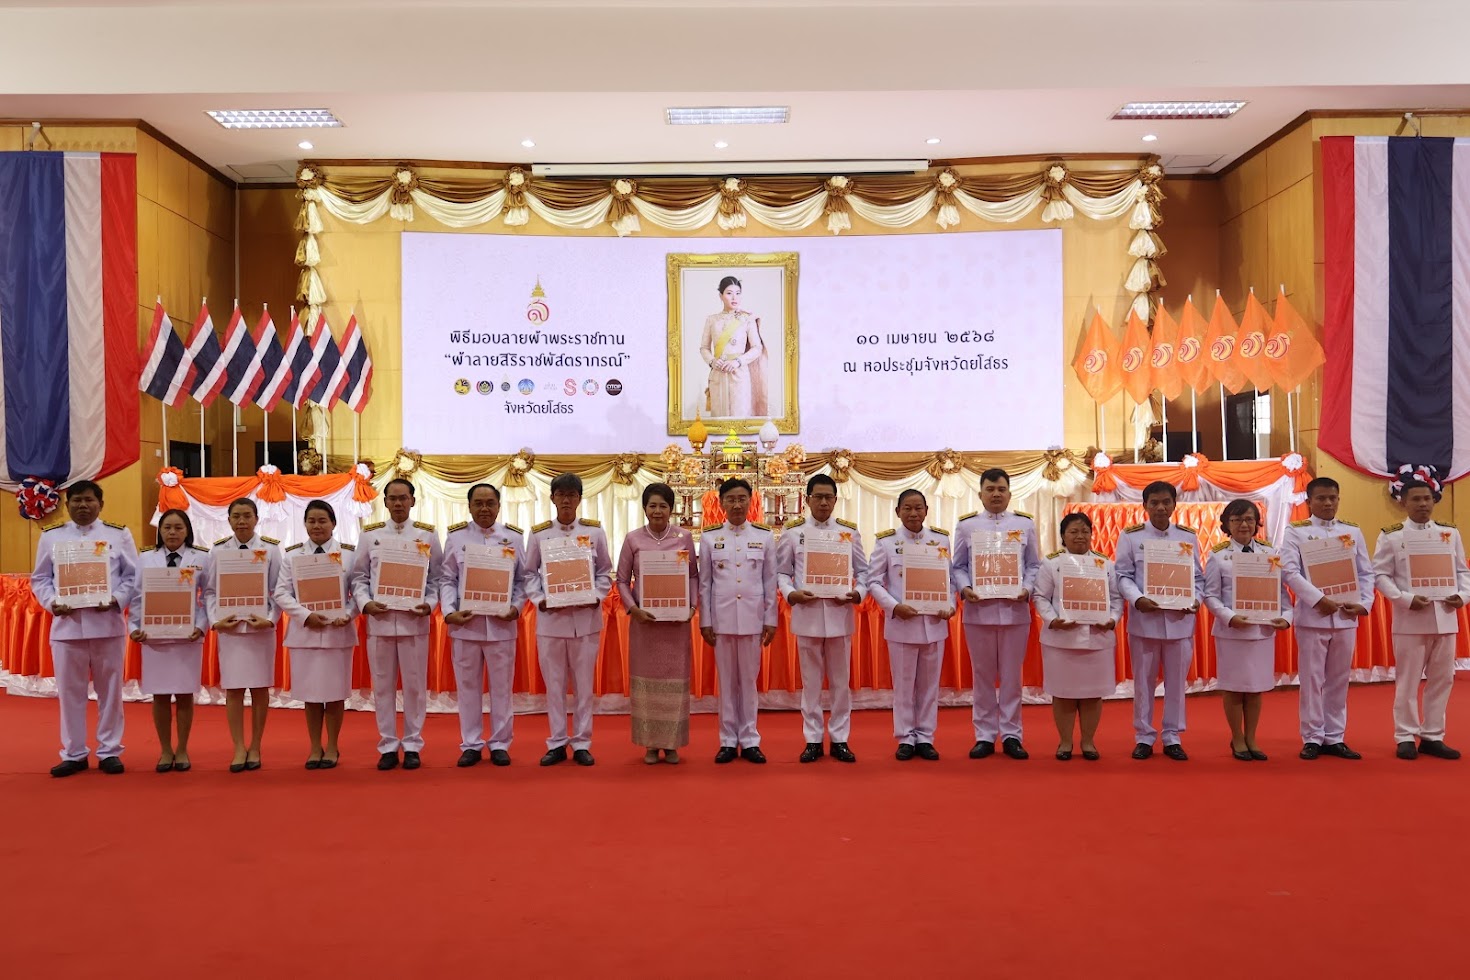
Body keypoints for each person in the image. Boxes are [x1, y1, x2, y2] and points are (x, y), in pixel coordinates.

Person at [31, 480, 140, 777]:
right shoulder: (51, 537)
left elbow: (133, 577)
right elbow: (40, 579)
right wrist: (53, 603)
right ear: (67, 506)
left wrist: (116, 599)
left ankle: (109, 751)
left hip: (107, 625)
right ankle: (74, 753)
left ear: (100, 504)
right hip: (67, 627)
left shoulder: (119, 535)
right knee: (70, 693)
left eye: (89, 500)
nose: (83, 505)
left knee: (111, 693)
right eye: (76, 500)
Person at [1372, 469, 1470, 760]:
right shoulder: (1391, 537)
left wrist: (1462, 596)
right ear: (1403, 502)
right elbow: (1381, 575)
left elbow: (1463, 572)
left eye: (1427, 498)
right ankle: (1404, 735)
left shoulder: (1449, 534)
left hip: (1445, 614)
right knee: (1408, 680)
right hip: (1411, 619)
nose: (1423, 504)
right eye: (1416, 499)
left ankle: (1432, 735)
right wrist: (1404, 599)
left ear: (1433, 500)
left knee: (1443, 680)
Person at [350, 478, 442, 771]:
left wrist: (430, 603)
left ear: (413, 501)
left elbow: (437, 578)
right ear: (385, 502)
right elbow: (359, 577)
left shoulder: (427, 535)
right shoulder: (370, 536)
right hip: (381, 620)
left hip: (414, 622)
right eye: (393, 498)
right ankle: (388, 744)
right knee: (383, 687)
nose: (398, 503)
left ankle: (413, 743)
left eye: (404, 498)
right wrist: (366, 604)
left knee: (415, 687)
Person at [950, 468, 1041, 760]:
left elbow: (1034, 565)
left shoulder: (1025, 524)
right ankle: (985, 735)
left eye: (1001, 489)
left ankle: (1012, 734)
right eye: (990, 489)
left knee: (1013, 677)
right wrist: (964, 589)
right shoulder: (967, 526)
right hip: (979, 611)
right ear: (980, 494)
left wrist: (1027, 589)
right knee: (983, 676)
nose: (996, 494)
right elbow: (958, 566)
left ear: (1010, 493)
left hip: (1015, 612)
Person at [777, 473, 867, 763]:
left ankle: (840, 738)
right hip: (808, 613)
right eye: (818, 496)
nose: (824, 502)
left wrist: (858, 593)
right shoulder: (793, 533)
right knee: (811, 682)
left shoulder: (849, 534)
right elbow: (781, 572)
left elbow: (863, 572)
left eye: (829, 497)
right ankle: (812, 739)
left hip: (840, 614)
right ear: (807, 499)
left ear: (836, 500)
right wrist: (791, 594)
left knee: (841, 683)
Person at [1282, 477, 1374, 761]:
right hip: (1313, 616)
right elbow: (1289, 571)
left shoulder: (1352, 531)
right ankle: (1312, 736)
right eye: (1321, 498)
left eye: (1333, 497)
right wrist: (1317, 599)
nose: (1328, 503)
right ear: (1309, 501)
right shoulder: (1295, 532)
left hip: (1346, 616)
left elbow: (1366, 572)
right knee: (1311, 679)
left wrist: (1364, 603)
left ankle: (1335, 736)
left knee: (1339, 679)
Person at [525, 472, 613, 767]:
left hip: (585, 620)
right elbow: (528, 574)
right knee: (555, 685)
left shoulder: (595, 533)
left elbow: (604, 573)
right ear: (552, 498)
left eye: (571, 494)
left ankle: (582, 742)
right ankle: (557, 741)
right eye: (560, 494)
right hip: (551, 621)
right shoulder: (539, 534)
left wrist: (597, 596)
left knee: (584, 686)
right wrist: (540, 599)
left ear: (579, 498)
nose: (566, 500)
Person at [1114, 480, 1204, 761]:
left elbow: (1198, 578)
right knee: (1144, 682)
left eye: (1166, 502)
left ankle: (1172, 736)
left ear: (1175, 505)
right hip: (1145, 621)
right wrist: (1137, 599)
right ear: (1145, 506)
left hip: (1179, 622)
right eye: (1154, 502)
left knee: (1177, 683)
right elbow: (1122, 576)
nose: (1161, 507)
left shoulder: (1187, 537)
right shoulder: (1131, 537)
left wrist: (1195, 601)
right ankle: (1143, 736)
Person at [440, 483, 525, 768]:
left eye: (490, 503)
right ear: (469, 506)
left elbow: (523, 580)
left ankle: (500, 743)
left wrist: (516, 607)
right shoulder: (455, 537)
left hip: (501, 625)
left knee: (502, 687)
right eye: (479, 503)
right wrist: (449, 611)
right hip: (466, 624)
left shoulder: (512, 538)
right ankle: (472, 744)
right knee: (467, 687)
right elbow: (447, 579)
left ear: (499, 506)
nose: (484, 508)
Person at [867, 489, 954, 761]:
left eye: (918, 508)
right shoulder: (886, 543)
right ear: (898, 512)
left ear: (926, 510)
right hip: (902, 624)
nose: (913, 513)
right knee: (904, 686)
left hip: (934, 624)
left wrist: (950, 605)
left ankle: (926, 737)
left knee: (929, 687)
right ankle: (905, 737)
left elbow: (949, 581)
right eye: (907, 508)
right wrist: (894, 606)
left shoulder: (940, 541)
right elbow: (873, 582)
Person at [1203, 499, 1292, 762]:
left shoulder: (1270, 553)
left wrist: (1286, 618)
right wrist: (1230, 617)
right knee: (1233, 687)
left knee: (1254, 688)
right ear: (1227, 524)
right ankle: (1237, 737)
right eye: (1237, 519)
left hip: (1261, 633)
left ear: (1256, 523)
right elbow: (1211, 595)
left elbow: (1282, 595)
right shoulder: (1218, 556)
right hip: (1232, 632)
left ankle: (1251, 737)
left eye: (1249, 519)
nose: (1244, 524)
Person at [698, 477, 778, 763]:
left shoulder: (764, 536)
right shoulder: (708, 538)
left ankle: (751, 739)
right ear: (721, 503)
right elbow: (705, 584)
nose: (736, 504)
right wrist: (705, 621)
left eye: (741, 498)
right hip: (722, 620)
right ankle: (728, 740)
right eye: (730, 499)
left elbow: (770, 581)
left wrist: (771, 620)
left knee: (748, 681)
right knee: (727, 682)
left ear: (750, 501)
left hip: (753, 619)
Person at [617, 482, 698, 764]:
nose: (657, 510)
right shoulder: (632, 539)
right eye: (652, 505)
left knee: (674, 683)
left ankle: (672, 744)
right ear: (644, 508)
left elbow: (693, 576)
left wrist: (691, 606)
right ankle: (650, 744)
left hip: (675, 626)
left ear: (671, 509)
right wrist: (633, 608)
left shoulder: (684, 537)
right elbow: (621, 580)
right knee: (647, 685)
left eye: (663, 505)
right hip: (645, 625)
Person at [276, 500, 358, 770]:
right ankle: (314, 746)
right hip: (306, 634)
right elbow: (280, 593)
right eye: (311, 521)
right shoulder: (292, 555)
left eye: (323, 520)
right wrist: (304, 615)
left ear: (333, 523)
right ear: (305, 524)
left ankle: (333, 745)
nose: (317, 526)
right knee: (310, 695)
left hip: (337, 633)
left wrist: (348, 613)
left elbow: (358, 589)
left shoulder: (348, 554)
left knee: (335, 694)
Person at [1032, 513, 1121, 761]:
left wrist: (1113, 619)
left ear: (1092, 534)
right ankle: (1065, 742)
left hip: (1097, 638)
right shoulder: (1051, 564)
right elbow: (1040, 596)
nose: (1080, 536)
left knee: (1093, 693)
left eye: (1084, 531)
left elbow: (1116, 599)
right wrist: (1052, 619)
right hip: (1062, 639)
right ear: (1063, 536)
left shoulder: (1105, 564)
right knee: (1063, 693)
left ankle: (1089, 742)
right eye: (1073, 531)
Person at [205, 497, 282, 773]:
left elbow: (278, 591)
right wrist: (216, 620)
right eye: (236, 516)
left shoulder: (271, 550)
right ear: (228, 520)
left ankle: (256, 745)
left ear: (256, 519)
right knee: (234, 689)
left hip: (260, 630)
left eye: (247, 516)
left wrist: (270, 619)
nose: (241, 521)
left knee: (260, 689)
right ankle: (239, 746)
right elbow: (211, 591)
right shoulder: (217, 552)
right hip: (231, 630)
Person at [129, 508, 208, 773]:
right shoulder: (145, 558)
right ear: (159, 531)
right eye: (167, 528)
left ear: (187, 531)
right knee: (160, 696)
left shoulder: (202, 558)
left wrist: (200, 626)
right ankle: (165, 749)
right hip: (155, 638)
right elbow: (137, 597)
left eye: (178, 528)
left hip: (187, 636)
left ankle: (183, 748)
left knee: (185, 695)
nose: (172, 533)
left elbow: (208, 595)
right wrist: (134, 628)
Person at [698, 275, 769, 419]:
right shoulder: (712, 320)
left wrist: (737, 362)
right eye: (729, 293)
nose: (734, 297)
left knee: (740, 417)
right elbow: (704, 348)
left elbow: (757, 347)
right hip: (718, 373)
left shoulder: (747, 319)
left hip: (739, 373)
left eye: (738, 293)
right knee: (719, 418)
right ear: (721, 295)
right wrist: (712, 361)